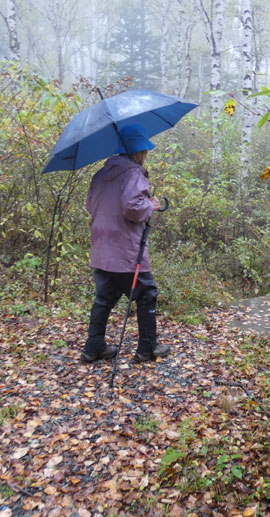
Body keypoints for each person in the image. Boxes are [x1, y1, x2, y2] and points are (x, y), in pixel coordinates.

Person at [80, 124, 171, 363]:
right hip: (127, 251)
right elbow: (133, 208)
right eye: (145, 151)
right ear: (139, 151)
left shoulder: (100, 175)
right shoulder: (133, 173)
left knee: (104, 297)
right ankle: (147, 348)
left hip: (102, 249)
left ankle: (93, 346)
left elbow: (91, 206)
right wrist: (152, 204)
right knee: (146, 294)